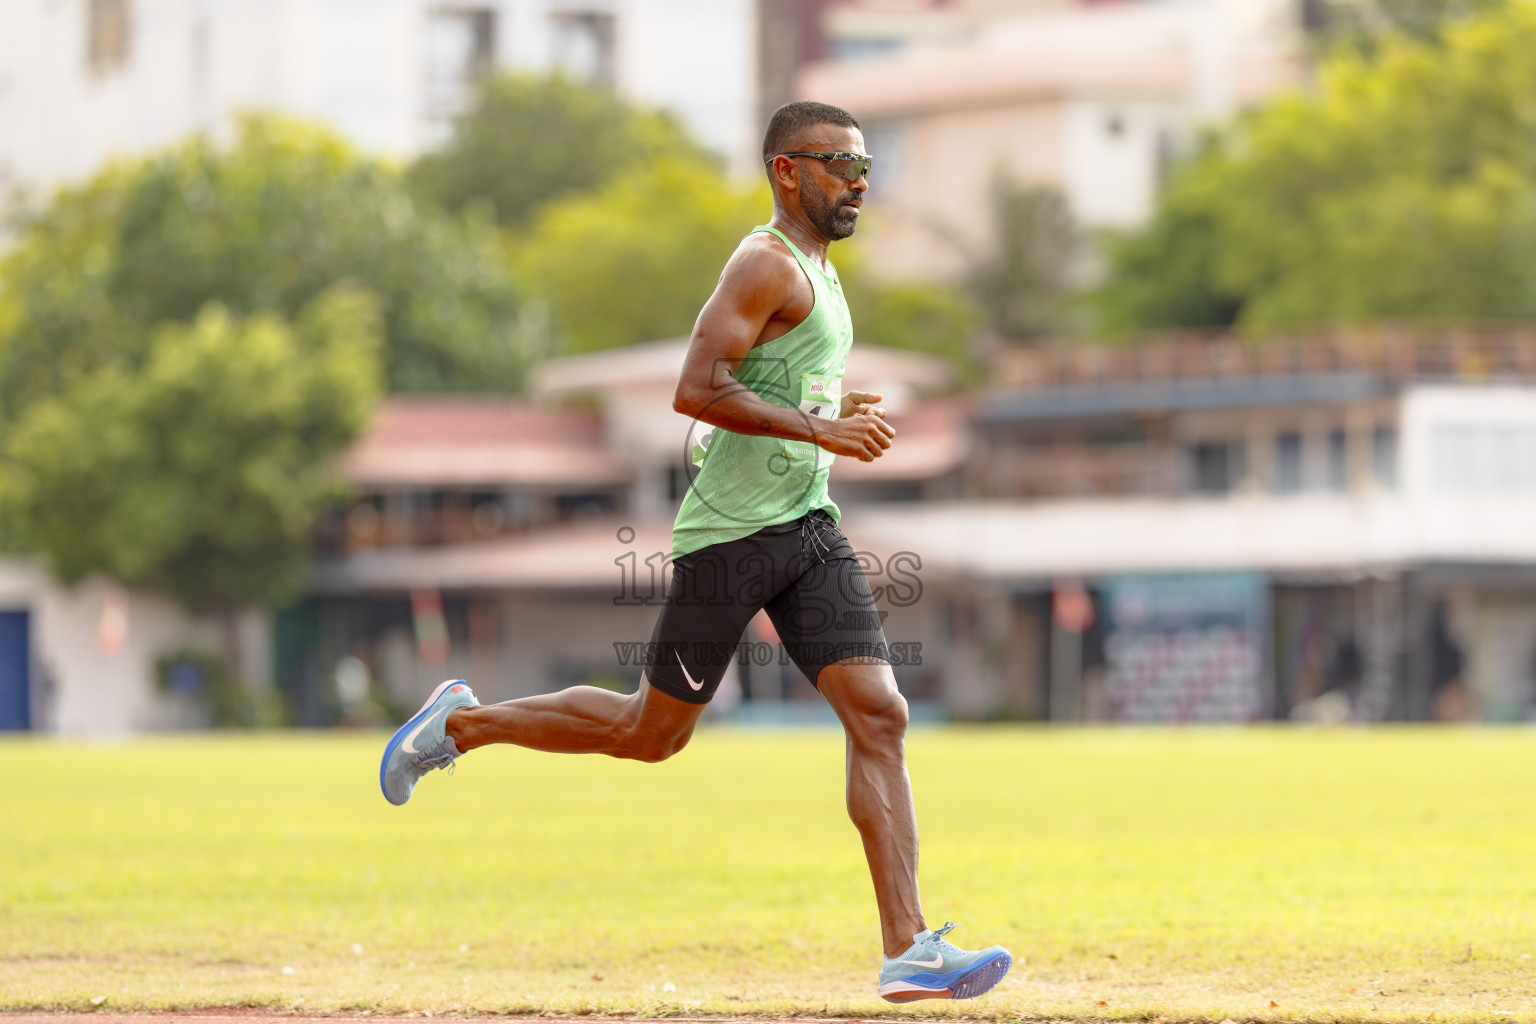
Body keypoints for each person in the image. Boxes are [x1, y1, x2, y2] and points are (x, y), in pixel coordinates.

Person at [379, 101, 1012, 1003]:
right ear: (786, 171)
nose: (860, 182)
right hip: (732, 536)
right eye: (840, 164)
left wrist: (832, 412)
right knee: (652, 735)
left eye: (867, 167)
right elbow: (695, 388)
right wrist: (821, 428)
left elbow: (773, 379)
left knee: (880, 713)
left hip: (807, 527)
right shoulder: (764, 262)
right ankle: (458, 725)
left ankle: (907, 946)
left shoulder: (825, 275)